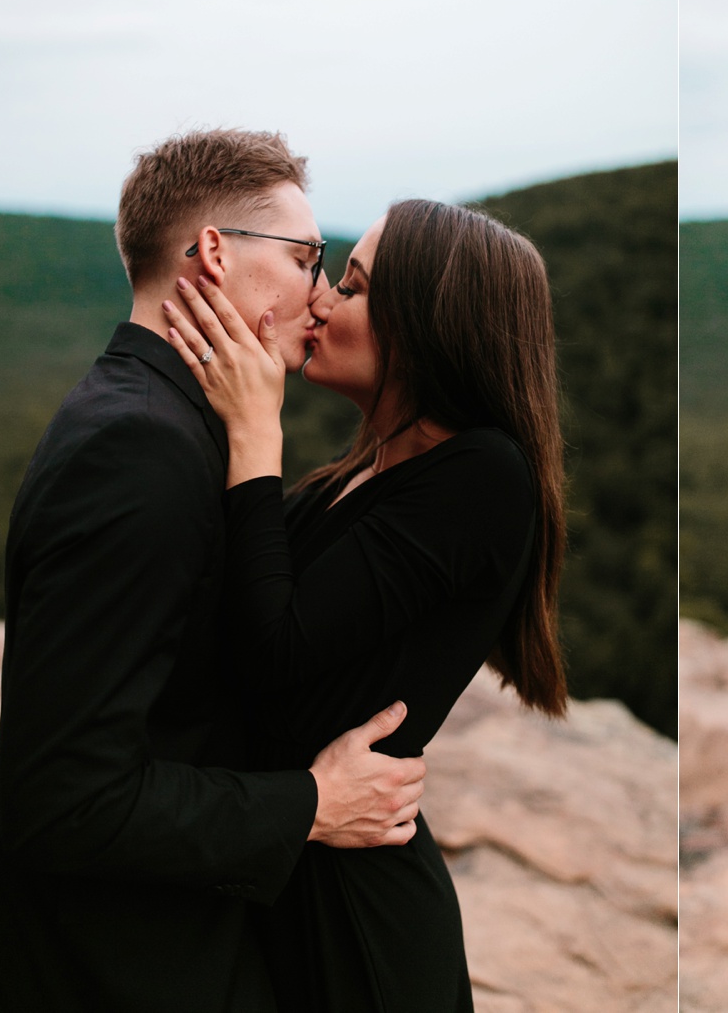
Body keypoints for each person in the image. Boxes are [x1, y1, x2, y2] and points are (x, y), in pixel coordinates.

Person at [0, 130, 428, 1013]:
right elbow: (64, 796)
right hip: (101, 971)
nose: (319, 294)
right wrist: (312, 806)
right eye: (304, 257)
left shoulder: (156, 419)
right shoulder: (138, 451)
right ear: (213, 254)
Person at [160, 197, 568, 1011]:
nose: (319, 301)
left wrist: (256, 433)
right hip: (284, 874)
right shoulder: (353, 476)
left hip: (353, 928)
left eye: (350, 287)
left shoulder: (485, 477)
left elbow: (274, 651)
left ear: (423, 323)